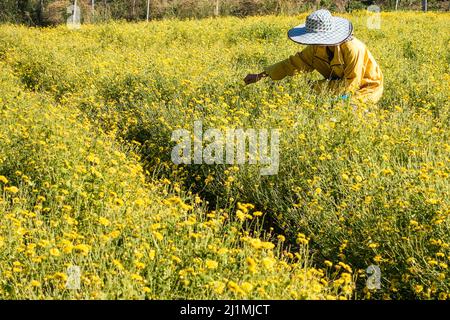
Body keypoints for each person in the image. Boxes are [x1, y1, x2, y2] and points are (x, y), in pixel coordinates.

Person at [244, 9, 384, 104]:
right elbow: (293, 64)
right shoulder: (315, 49)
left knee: (349, 109)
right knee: (310, 90)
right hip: (340, 83)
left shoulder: (353, 48)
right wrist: (261, 75)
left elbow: (353, 83)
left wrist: (333, 101)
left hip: (366, 87)